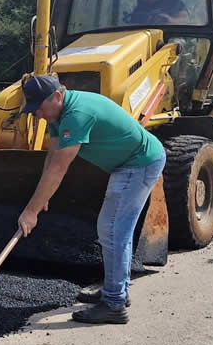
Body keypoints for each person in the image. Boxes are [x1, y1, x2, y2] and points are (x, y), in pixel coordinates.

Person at [16, 74, 166, 325]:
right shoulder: (58, 113)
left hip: (139, 164)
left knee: (112, 230)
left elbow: (59, 169)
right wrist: (42, 198)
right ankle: (116, 289)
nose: (39, 115)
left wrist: (30, 212)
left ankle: (114, 304)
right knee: (114, 231)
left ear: (57, 96)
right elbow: (52, 157)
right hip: (127, 165)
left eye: (40, 108)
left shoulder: (77, 115)